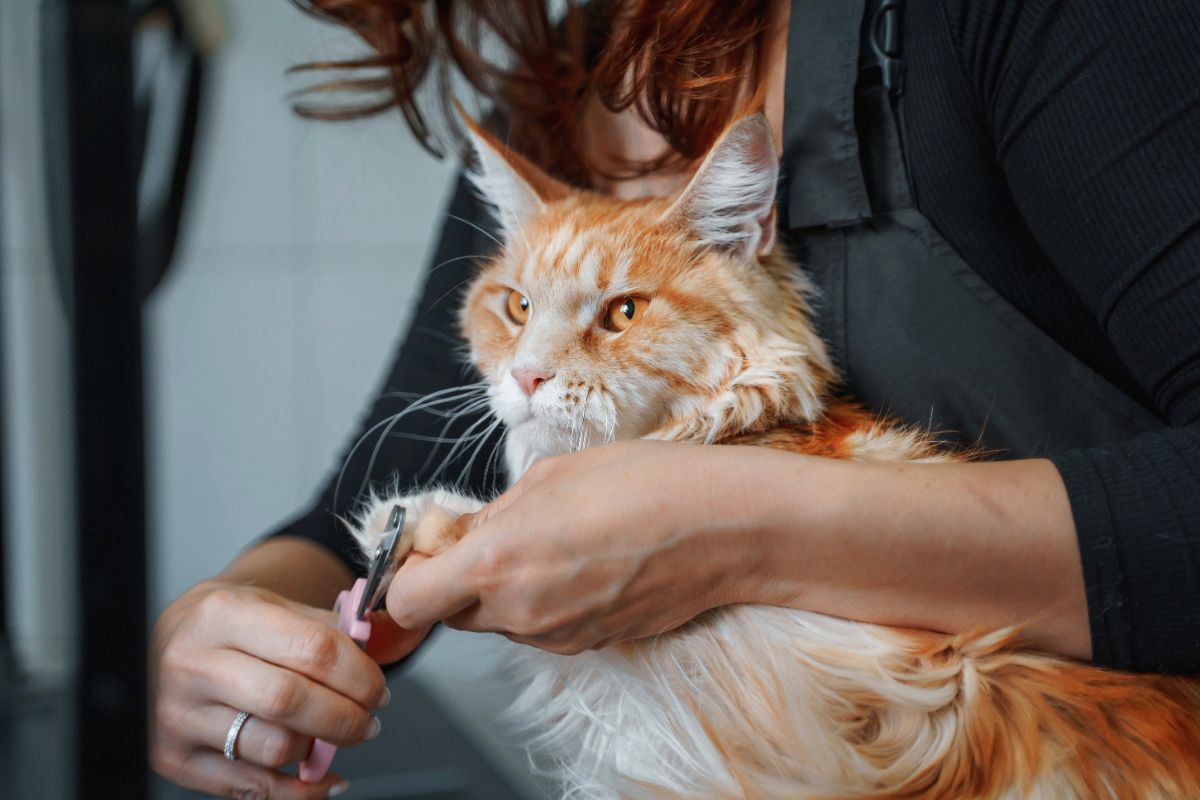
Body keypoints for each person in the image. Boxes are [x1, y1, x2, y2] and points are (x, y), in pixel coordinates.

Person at [150, 0, 1200, 797]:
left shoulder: (1026, 22)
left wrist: (741, 530)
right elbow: (384, 490)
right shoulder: (568, 67)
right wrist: (232, 629)